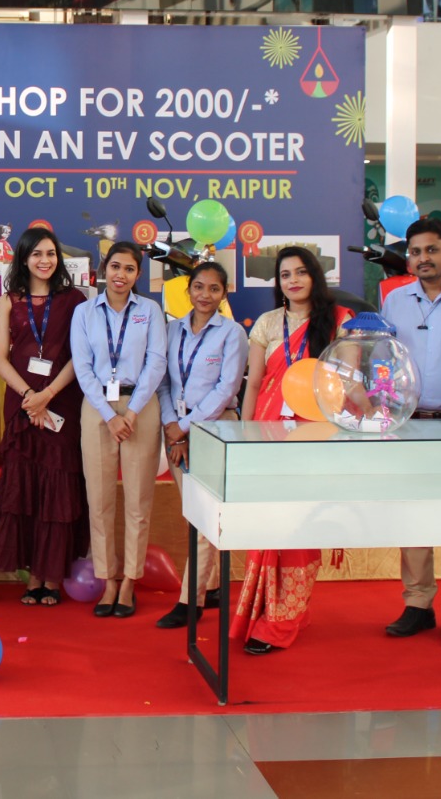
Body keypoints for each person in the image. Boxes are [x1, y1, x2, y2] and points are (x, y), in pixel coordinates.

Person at [233, 246, 352, 654]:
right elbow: (254, 382)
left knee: (298, 526)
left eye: (301, 272)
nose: (293, 280)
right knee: (270, 525)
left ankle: (283, 618)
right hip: (269, 434)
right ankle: (266, 611)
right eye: (285, 275)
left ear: (315, 276)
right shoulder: (268, 323)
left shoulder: (338, 321)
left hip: (314, 438)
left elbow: (348, 382)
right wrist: (247, 434)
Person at [377, 218, 441, 644]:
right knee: (413, 516)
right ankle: (417, 603)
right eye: (415, 252)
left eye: (432, 250)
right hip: (409, 424)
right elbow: (384, 358)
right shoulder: (395, 301)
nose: (423, 259)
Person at [70, 241, 167, 619]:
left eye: (128, 269)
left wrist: (133, 411)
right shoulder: (84, 312)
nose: (120, 275)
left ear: (138, 274)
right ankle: (107, 579)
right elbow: (82, 367)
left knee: (139, 500)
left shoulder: (150, 311)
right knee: (99, 500)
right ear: (103, 270)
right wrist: (109, 415)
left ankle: (129, 581)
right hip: (98, 408)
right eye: (115, 267)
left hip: (140, 407)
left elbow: (156, 362)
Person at [0, 227, 86, 606]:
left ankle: (52, 577)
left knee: (56, 488)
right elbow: (0, 358)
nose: (45, 261)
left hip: (62, 401)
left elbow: (80, 356)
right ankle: (33, 578)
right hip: (22, 404)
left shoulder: (75, 300)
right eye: (36, 254)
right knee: (26, 487)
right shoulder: (9, 300)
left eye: (51, 253)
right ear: (24, 259)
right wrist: (30, 396)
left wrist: (48, 395)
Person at [155, 260, 248, 629]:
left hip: (214, 430)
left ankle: (188, 601)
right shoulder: (171, 329)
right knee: (192, 514)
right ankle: (210, 587)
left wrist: (184, 429)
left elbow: (227, 388)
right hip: (177, 430)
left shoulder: (232, 333)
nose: (205, 295)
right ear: (188, 290)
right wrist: (171, 426)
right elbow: (163, 382)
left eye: (214, 288)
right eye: (198, 287)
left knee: (205, 516)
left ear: (223, 294)